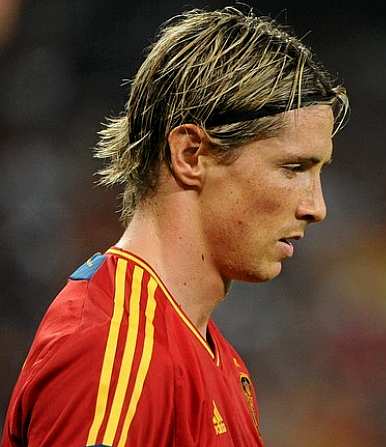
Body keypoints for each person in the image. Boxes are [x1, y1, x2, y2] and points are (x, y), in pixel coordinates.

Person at [1, 7, 348, 447]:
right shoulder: (116, 350)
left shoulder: (211, 357)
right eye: (293, 167)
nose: (316, 207)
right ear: (190, 155)